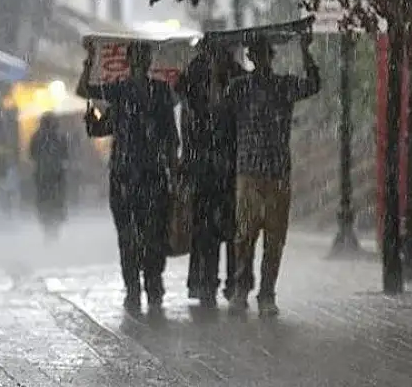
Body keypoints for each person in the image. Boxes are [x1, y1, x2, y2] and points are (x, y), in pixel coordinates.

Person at [77, 41, 179, 314]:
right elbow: (86, 93)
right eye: (138, 57)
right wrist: (90, 60)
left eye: (143, 57)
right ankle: (135, 286)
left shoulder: (158, 92)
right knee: (130, 235)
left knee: (152, 234)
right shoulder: (121, 92)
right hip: (126, 175)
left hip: (151, 174)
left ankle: (151, 285)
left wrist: (173, 169)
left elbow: (170, 136)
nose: (141, 62)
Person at [226, 32, 320, 316]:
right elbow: (218, 104)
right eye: (256, 54)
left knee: (274, 237)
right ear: (251, 58)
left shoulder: (283, 85)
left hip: (276, 170)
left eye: (264, 53)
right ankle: (242, 288)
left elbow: (313, 84)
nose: (261, 58)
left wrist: (306, 52)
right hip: (249, 171)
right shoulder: (239, 87)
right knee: (245, 235)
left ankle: (267, 292)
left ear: (270, 56)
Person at [176, 41, 250, 308]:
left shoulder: (235, 75)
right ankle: (207, 282)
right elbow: (187, 108)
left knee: (230, 229)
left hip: (226, 165)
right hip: (207, 165)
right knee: (208, 229)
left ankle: (231, 282)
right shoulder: (196, 73)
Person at [29, 113, 68, 239]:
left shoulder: (37, 137)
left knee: (47, 205)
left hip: (45, 177)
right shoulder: (59, 137)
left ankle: (49, 229)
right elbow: (65, 155)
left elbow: (32, 154)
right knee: (54, 205)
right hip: (54, 177)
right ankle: (52, 229)